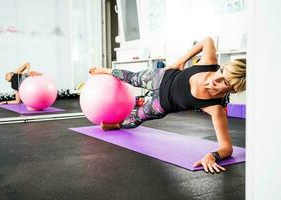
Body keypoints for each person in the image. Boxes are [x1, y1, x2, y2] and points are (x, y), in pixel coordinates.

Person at [89, 37, 246, 174]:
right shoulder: (209, 64)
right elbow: (207, 40)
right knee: (131, 77)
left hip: (161, 105)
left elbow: (227, 148)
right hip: (161, 77)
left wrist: (212, 156)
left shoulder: (215, 108)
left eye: (224, 82)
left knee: (135, 120)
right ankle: (107, 71)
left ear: (232, 90)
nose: (215, 79)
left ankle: (116, 124)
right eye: (222, 71)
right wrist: (180, 61)